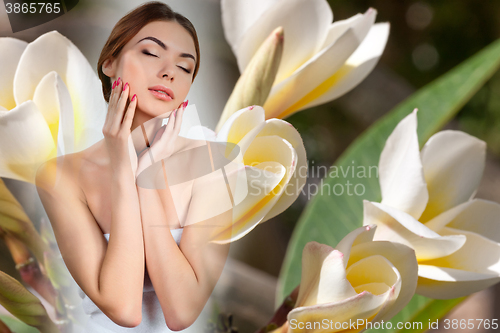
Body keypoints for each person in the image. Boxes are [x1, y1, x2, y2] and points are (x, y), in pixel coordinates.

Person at [35, 2, 238, 332]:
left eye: (185, 68)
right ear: (110, 63)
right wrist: (121, 169)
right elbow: (124, 309)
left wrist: (146, 179)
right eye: (150, 52)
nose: (169, 72)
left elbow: (182, 312)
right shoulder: (59, 175)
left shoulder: (214, 166)